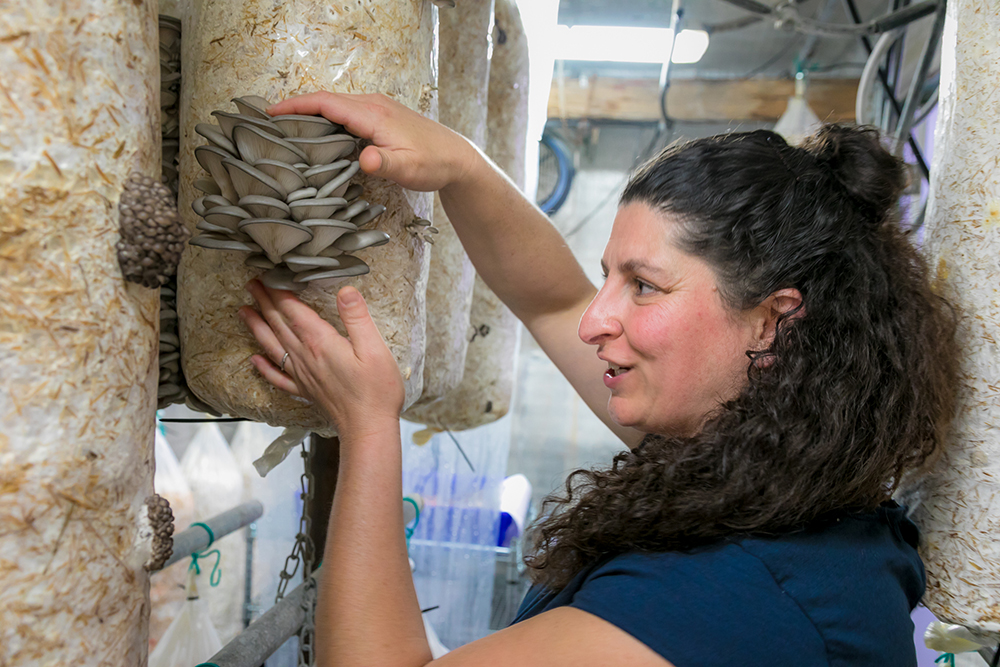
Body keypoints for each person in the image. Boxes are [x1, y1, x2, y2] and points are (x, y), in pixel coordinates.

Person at [238, 92, 958, 667]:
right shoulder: (769, 468)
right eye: (611, 275)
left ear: (772, 322)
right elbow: (553, 298)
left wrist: (368, 426)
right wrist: (458, 164)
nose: (596, 322)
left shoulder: (735, 601)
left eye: (643, 285)